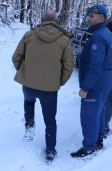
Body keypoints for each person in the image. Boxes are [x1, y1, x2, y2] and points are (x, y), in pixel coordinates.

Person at [12, 10, 74, 162]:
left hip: (28, 84)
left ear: (41, 19)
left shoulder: (29, 35)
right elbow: (68, 67)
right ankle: (50, 151)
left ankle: (29, 125)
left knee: (29, 101)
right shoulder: (64, 40)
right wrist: (59, 82)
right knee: (50, 120)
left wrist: (25, 73)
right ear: (57, 22)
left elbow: (16, 57)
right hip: (49, 88)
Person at [71, 4, 112, 158]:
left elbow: (95, 67)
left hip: (96, 83)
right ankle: (98, 140)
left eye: (92, 16)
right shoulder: (107, 33)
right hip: (105, 80)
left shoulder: (98, 37)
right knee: (99, 111)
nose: (88, 19)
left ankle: (89, 147)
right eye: (88, 15)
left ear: (102, 18)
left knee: (89, 114)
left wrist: (85, 87)